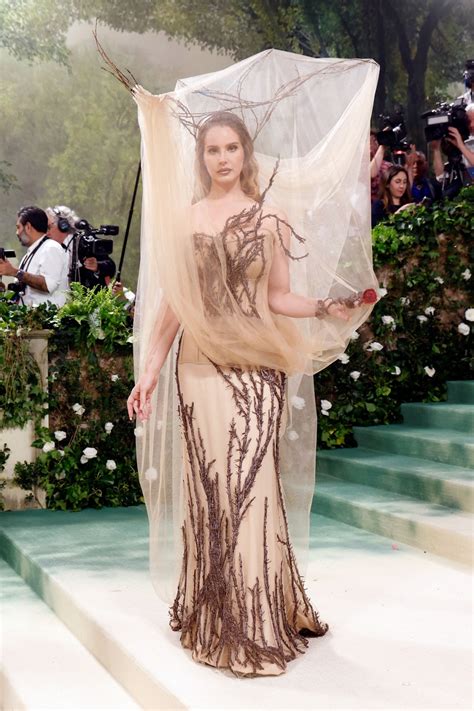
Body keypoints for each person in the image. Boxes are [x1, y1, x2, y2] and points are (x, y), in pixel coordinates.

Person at [100, 45, 379, 676]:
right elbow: (174, 307)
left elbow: (278, 296)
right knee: (212, 489)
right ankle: (217, 613)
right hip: (198, 368)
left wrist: (327, 306)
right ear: (201, 158)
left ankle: (256, 619)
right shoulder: (186, 218)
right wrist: (148, 372)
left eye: (231, 148)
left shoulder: (270, 215)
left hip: (257, 369)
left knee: (251, 484)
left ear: (246, 155)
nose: (222, 158)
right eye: (212, 150)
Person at [0, 206, 69, 306]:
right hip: (30, 315)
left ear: (28, 227)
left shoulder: (51, 248)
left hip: (48, 315)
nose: (17, 233)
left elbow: (48, 285)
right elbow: (24, 291)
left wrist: (14, 272)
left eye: (18, 227)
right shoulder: (29, 254)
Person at [47, 205, 117, 289]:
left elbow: (110, 266)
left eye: (49, 227)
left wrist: (97, 266)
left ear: (63, 225)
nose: (46, 232)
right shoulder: (51, 245)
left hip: (86, 294)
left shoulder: (85, 241)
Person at [370, 130, 392, 202]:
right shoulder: (357, 166)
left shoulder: (388, 166)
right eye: (371, 141)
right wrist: (382, 146)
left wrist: (409, 167)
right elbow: (371, 173)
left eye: (375, 140)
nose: (375, 143)